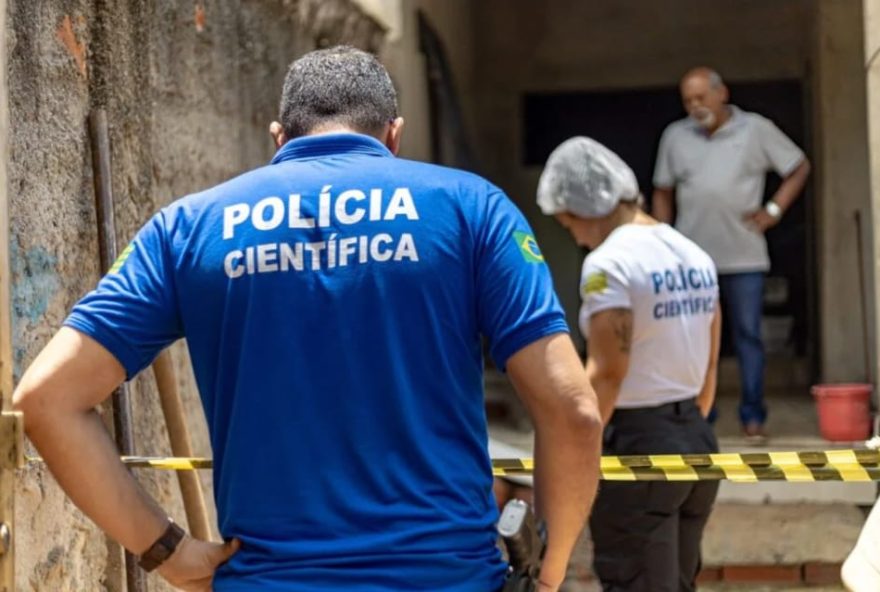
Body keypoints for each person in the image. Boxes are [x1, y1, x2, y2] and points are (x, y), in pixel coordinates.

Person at [12, 46, 602, 592]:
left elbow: (46, 399)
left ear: (278, 136)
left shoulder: (189, 229)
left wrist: (167, 550)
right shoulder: (472, 209)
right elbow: (574, 411)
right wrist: (547, 576)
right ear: (393, 136)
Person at [537, 137, 721, 591]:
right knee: (677, 582)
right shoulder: (692, 253)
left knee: (633, 580)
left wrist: (575, 452)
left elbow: (607, 374)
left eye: (568, 223)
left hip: (638, 441)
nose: (574, 237)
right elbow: (710, 364)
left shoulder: (610, 264)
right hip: (696, 436)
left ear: (585, 207)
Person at [652, 67, 811, 442]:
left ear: (721, 93)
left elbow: (798, 166)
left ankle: (753, 418)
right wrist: (662, 238)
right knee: (692, 340)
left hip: (744, 256)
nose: (695, 106)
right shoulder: (675, 136)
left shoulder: (756, 129)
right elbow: (662, 190)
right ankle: (700, 419)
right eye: (688, 100)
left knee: (747, 336)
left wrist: (773, 211)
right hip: (690, 261)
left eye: (701, 98)